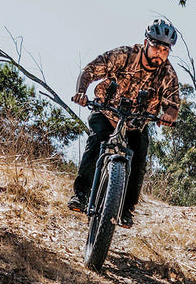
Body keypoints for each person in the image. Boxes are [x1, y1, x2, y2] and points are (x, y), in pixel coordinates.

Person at [68, 19, 181, 227]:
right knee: (97, 140)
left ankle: (126, 209)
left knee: (138, 158)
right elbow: (89, 71)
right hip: (107, 111)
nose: (160, 53)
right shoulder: (124, 55)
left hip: (137, 122)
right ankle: (81, 194)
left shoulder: (167, 73)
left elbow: (173, 103)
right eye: (156, 46)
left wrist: (169, 115)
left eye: (165, 49)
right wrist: (81, 92)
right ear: (146, 43)